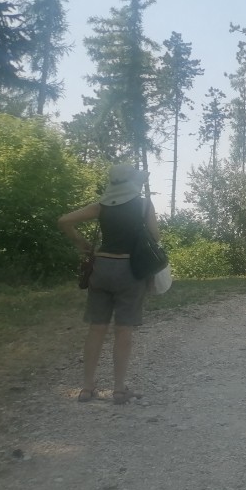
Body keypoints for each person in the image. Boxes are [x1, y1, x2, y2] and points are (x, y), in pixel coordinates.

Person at [58, 164, 159, 405]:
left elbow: (64, 221)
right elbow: (156, 237)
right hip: (130, 270)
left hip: (101, 269)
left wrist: (81, 243)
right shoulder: (144, 204)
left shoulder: (101, 207)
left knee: (97, 328)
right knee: (123, 330)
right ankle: (118, 389)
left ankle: (87, 387)